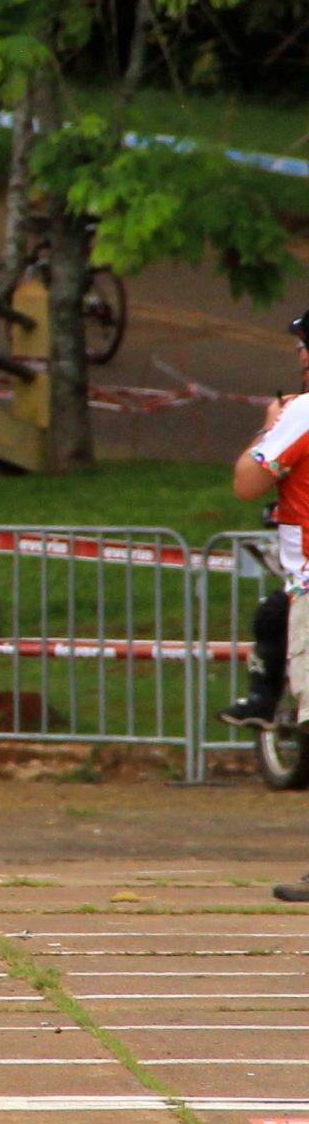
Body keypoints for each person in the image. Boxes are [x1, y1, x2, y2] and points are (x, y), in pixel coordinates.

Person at [222, 311, 309, 903]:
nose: (301, 357)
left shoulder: (304, 412)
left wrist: (267, 429)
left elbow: (248, 484)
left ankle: (261, 699)